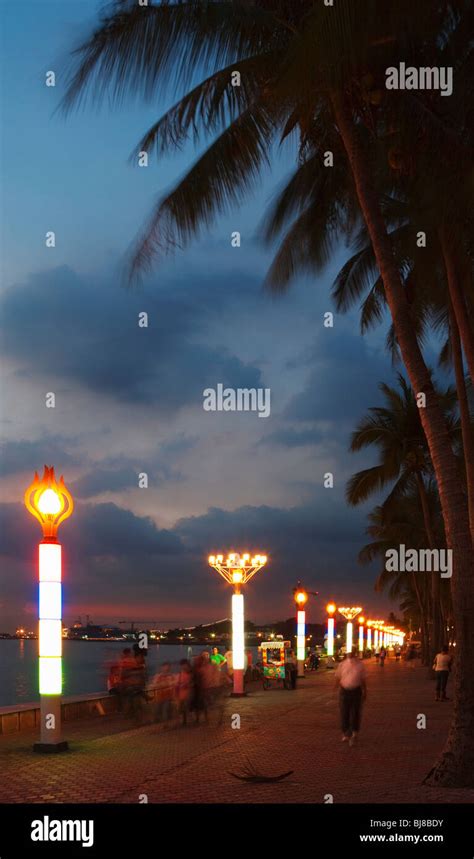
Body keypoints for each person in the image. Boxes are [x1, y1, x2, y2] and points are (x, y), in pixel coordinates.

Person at [334, 650, 367, 747]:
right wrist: (335, 689)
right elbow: (338, 677)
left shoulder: (360, 665)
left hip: (356, 691)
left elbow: (363, 679)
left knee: (356, 712)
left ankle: (354, 731)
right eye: (349, 653)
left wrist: (365, 691)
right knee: (345, 712)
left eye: (352, 653)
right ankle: (346, 732)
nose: (350, 655)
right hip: (345, 690)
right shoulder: (342, 664)